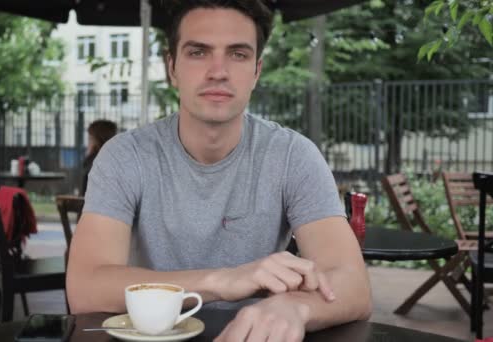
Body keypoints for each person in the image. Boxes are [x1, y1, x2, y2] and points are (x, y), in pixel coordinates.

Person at [67, 1, 372, 340]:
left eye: (237, 54)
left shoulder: (292, 156)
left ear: (256, 71)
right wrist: (222, 281)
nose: (218, 71)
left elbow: (353, 284)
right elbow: (85, 287)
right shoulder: (125, 156)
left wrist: (297, 307)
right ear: (172, 68)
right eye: (198, 52)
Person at [81, 119, 118, 196]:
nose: (88, 143)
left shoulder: (93, 162)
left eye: (90, 138)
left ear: (96, 140)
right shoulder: (117, 160)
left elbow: (84, 194)